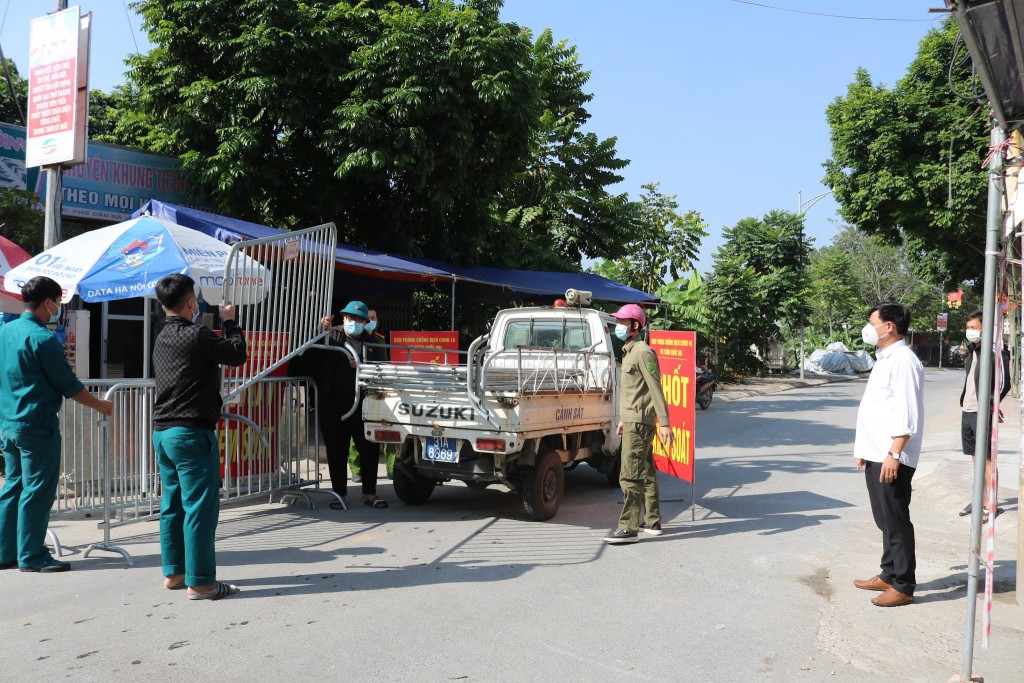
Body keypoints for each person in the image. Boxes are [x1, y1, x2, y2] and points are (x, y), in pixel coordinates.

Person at [0, 276, 113, 573]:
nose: (59, 307)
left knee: (14, 486)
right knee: (37, 491)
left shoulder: (5, 332)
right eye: (59, 302)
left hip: (9, 423)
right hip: (37, 425)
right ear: (48, 302)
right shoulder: (42, 339)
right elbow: (69, 385)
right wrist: (101, 405)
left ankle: (4, 552)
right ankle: (33, 555)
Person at [152, 274, 247, 600]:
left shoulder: (161, 336)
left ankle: (175, 573)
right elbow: (237, 354)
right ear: (191, 302)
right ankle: (202, 582)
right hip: (191, 433)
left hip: (163, 433)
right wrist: (230, 321)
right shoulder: (196, 335)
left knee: (173, 506)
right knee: (200, 509)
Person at [852, 303, 924, 608]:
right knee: (884, 519)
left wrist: (895, 453)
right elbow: (879, 409)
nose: (869, 329)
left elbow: (907, 414)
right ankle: (888, 572)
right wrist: (864, 451)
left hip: (892, 454)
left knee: (896, 520)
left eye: (872, 322)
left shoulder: (903, 361)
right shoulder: (885, 358)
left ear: (889, 326)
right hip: (877, 452)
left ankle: (904, 585)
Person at [603, 304, 673, 544]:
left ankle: (628, 528)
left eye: (622, 322)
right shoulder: (629, 350)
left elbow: (655, 390)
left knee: (629, 475)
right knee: (646, 471)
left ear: (635, 326)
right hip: (633, 420)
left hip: (640, 423)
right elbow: (634, 391)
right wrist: (623, 418)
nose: (618, 326)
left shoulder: (643, 352)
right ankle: (652, 522)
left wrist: (664, 423)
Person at [318, 300, 388, 509]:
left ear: (365, 322)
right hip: (333, 406)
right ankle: (338, 494)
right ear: (343, 318)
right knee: (336, 450)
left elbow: (382, 371)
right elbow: (307, 349)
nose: (353, 322)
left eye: (358, 319)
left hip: (363, 406)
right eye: (349, 318)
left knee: (369, 450)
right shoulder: (331, 335)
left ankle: (370, 493)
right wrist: (319, 329)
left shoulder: (373, 342)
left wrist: (362, 366)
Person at [958, 310, 1011, 522]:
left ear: (984, 328)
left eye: (974, 328)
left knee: (987, 459)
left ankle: (992, 504)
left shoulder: (994, 351)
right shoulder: (972, 351)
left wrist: (992, 402)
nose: (970, 332)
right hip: (968, 411)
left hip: (982, 412)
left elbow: (1004, 382)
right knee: (975, 458)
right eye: (968, 328)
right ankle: (980, 499)